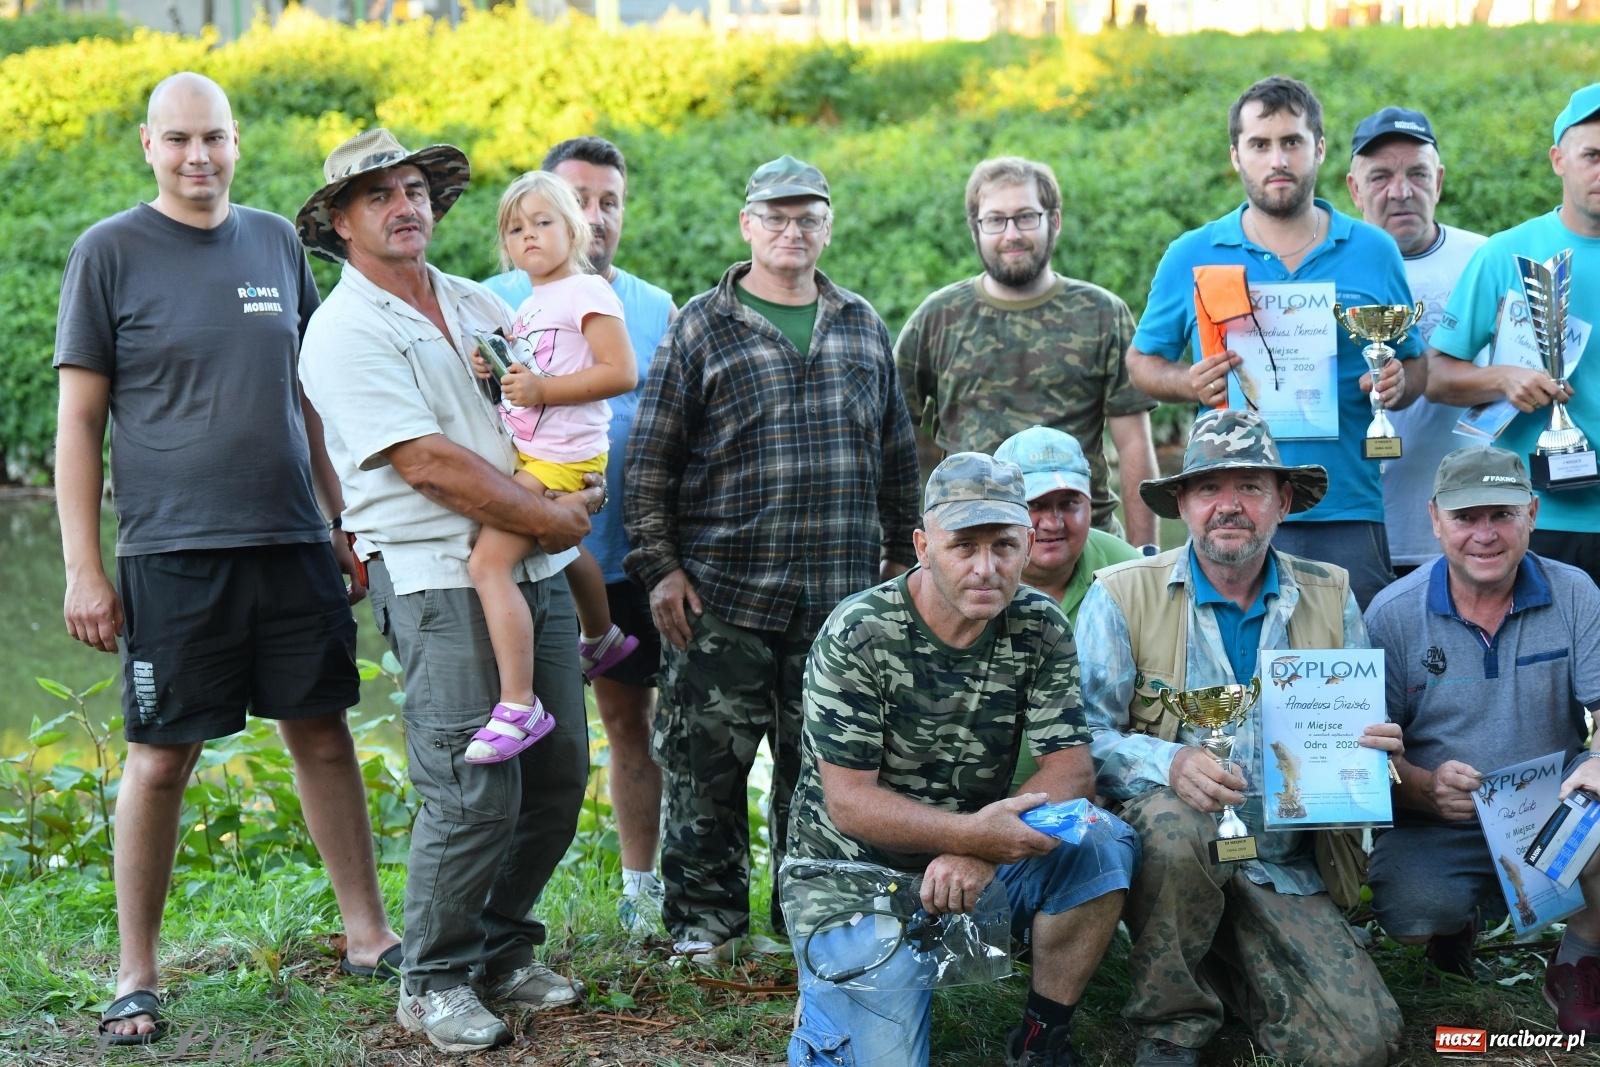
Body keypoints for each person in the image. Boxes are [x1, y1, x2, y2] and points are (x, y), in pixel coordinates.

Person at [53, 72, 400, 1046]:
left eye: (213, 138)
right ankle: (136, 971)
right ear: (147, 143)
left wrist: (342, 516)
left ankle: (369, 932)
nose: (197, 156)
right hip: (172, 550)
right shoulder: (107, 253)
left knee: (323, 732)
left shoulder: (276, 241)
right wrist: (85, 566)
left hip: (291, 538)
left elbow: (308, 395)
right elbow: (78, 422)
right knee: (161, 757)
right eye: (178, 140)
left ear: (237, 142)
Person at [296, 128, 603, 1053]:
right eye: (381, 195)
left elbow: (538, 408)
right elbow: (426, 463)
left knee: (555, 776)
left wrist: (573, 485)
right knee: (473, 787)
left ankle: (502, 945)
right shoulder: (342, 331)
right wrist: (550, 515)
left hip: (533, 564)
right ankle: (430, 979)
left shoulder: (476, 302)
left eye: (417, 189)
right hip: (436, 575)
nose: (407, 205)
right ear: (342, 223)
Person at [624, 154, 921, 961]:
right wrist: (661, 568)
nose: (794, 231)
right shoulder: (699, 323)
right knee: (703, 776)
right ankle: (705, 931)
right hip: (721, 599)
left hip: (839, 603)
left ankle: (812, 930)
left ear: (829, 225)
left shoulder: (861, 322)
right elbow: (648, 463)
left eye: (810, 217)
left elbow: (898, 456)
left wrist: (905, 559)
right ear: (747, 225)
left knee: (824, 779)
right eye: (777, 217)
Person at [786, 452, 1140, 1067]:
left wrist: (977, 847)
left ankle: (1040, 1042)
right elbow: (850, 802)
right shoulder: (860, 632)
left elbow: (1072, 769)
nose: (986, 568)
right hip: (855, 878)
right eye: (963, 546)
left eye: (1004, 546)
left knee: (1101, 840)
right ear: (923, 545)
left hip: (977, 860)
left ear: (1027, 545)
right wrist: (972, 835)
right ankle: (830, 994)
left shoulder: (1039, 625)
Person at [1076, 409, 1404, 1067]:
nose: (1229, 506)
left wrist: (1373, 751)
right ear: (1183, 504)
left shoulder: (1331, 593)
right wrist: (1168, 762)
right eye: (1208, 488)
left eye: (1251, 486)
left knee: (1364, 1046)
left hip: (1280, 865)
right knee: (1173, 821)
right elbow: (1080, 737)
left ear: (1283, 500)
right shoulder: (1121, 595)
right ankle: (1170, 1023)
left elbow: (1358, 738)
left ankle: (1228, 967)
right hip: (1169, 859)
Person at [1127, 76, 1426, 609]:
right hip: (1229, 509)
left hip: (1346, 506)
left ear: (1320, 149)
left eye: (1292, 141)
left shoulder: (1373, 250)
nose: (1277, 159)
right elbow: (1142, 363)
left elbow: (1416, 364)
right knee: (1234, 677)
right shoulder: (1192, 253)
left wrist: (1398, 382)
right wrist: (1186, 380)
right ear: (1236, 156)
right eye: (1260, 145)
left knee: (1347, 679)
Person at [483, 135, 677, 933]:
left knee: (632, 725)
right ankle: (500, 903)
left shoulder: (654, 306)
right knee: (516, 720)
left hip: (620, 554)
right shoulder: (497, 296)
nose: (594, 218)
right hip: (529, 539)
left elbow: (666, 432)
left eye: (609, 202)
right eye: (578, 200)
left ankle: (641, 891)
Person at [1363, 445, 1600, 1031]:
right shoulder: (1391, 614)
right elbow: (1368, 755)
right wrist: (1421, 787)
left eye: (1502, 514)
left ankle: (1578, 964)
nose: (1485, 534)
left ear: (1533, 514)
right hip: (1439, 821)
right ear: (1436, 519)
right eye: (1467, 517)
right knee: (1414, 915)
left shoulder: (1577, 594)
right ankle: (1452, 931)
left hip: (1553, 813)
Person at [461, 171, 639, 764]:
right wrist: (499, 371)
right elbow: (531, 371)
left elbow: (620, 372)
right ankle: (601, 634)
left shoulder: (586, 292)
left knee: (489, 563)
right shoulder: (532, 303)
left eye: (543, 222)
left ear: (576, 230)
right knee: (558, 545)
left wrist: (542, 390)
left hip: (563, 455)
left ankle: (519, 704)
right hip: (538, 450)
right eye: (515, 228)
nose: (529, 235)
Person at [896, 156, 1160, 549]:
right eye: (995, 220)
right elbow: (895, 442)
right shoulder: (937, 317)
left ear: (1054, 221)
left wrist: (1144, 559)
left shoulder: (1102, 313)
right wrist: (903, 552)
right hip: (974, 545)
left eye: (1025, 217)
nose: (1011, 234)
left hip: (1082, 541)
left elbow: (1134, 444)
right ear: (975, 229)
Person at [1425, 83, 1600, 590]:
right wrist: (1504, 379)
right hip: (1537, 523)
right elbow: (1436, 375)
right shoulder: (1506, 253)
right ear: (1557, 160)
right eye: (1592, 155)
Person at [1345, 106, 1488, 578]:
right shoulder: (1330, 269)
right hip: (1358, 525)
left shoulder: (1487, 259)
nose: (1401, 191)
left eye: (1418, 174)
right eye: (1381, 176)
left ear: (1440, 181)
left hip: (1475, 529)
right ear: (1354, 189)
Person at [992, 425, 1140, 792]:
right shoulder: (966, 575)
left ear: (1091, 504)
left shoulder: (1126, 569)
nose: (1053, 523)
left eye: (1069, 504)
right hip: (974, 801)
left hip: (1103, 794)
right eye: (1035, 505)